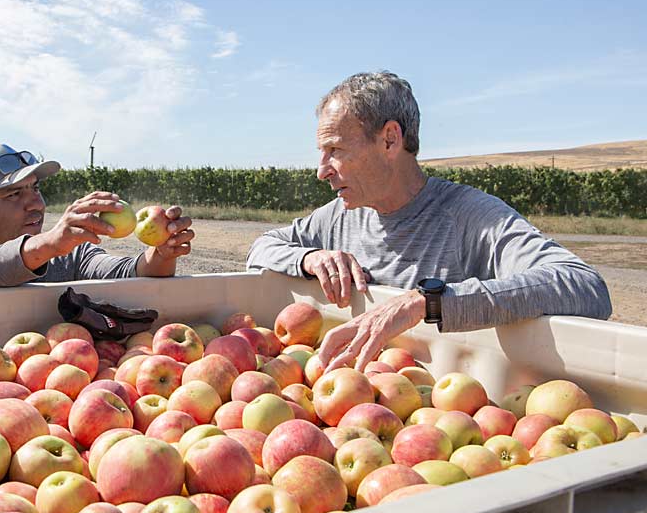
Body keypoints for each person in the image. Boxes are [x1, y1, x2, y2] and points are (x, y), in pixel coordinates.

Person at [246, 71, 612, 372]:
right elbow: (261, 249)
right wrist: (309, 258)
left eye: (335, 151)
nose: (321, 171)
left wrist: (426, 303)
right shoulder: (338, 216)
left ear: (390, 140)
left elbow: (584, 286)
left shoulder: (472, 218)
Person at [0, 143, 194, 289]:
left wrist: (160, 256)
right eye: (13, 194)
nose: (35, 203)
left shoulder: (69, 255)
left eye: (35, 189)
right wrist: (47, 245)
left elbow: (129, 275)